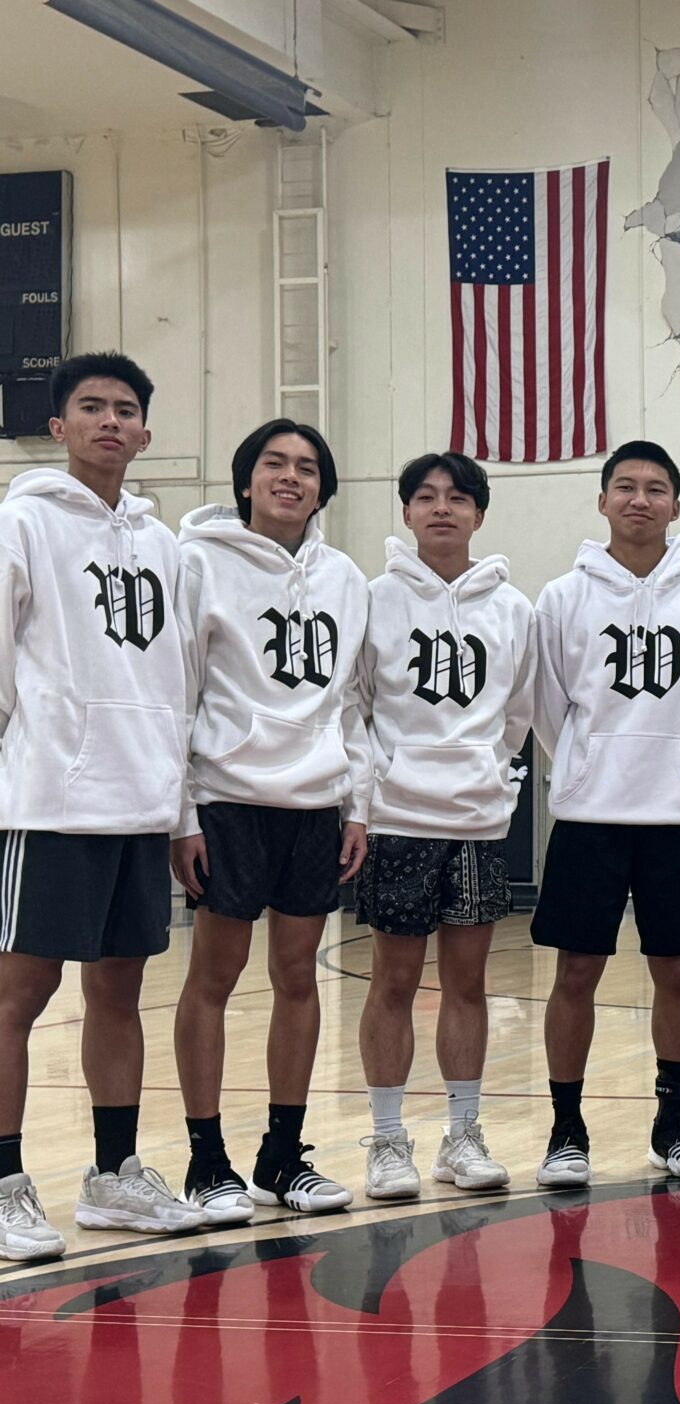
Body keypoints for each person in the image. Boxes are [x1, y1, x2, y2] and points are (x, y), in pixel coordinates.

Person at [0, 352, 205, 1260]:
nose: (110, 421)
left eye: (125, 408)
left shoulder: (165, 547)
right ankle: (5, 1184)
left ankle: (113, 1176)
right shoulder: (21, 523)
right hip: (51, 802)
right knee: (18, 996)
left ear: (146, 433)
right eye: (91, 407)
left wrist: (182, 812)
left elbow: (179, 685)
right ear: (58, 426)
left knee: (120, 993)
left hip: (141, 804)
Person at [171, 419, 370, 1218]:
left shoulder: (345, 578)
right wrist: (183, 813)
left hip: (314, 804)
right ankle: (206, 1159)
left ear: (324, 489)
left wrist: (356, 803)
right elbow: (178, 693)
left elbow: (351, 703)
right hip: (228, 799)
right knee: (213, 979)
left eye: (307, 467)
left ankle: (282, 1157)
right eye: (274, 463)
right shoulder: (196, 563)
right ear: (246, 479)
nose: (291, 477)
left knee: (298, 978)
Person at [529, 441, 680, 1185]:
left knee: (675, 971)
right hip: (589, 817)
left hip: (674, 818)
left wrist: (677, 761)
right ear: (603, 500)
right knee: (575, 972)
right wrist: (590, 766)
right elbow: (547, 707)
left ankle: (674, 1125)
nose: (639, 499)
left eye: (654, 488)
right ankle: (566, 1130)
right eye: (625, 486)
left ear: (676, 505)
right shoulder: (562, 598)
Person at [354, 452, 536, 1200]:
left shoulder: (513, 609)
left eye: (457, 498)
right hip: (398, 818)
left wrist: (490, 772)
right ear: (405, 512)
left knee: (468, 984)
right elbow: (356, 704)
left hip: (476, 823)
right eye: (425, 497)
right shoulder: (373, 600)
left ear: (478, 515)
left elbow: (519, 712)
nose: (441, 508)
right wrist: (377, 786)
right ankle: (387, 1140)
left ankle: (463, 1135)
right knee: (393, 982)